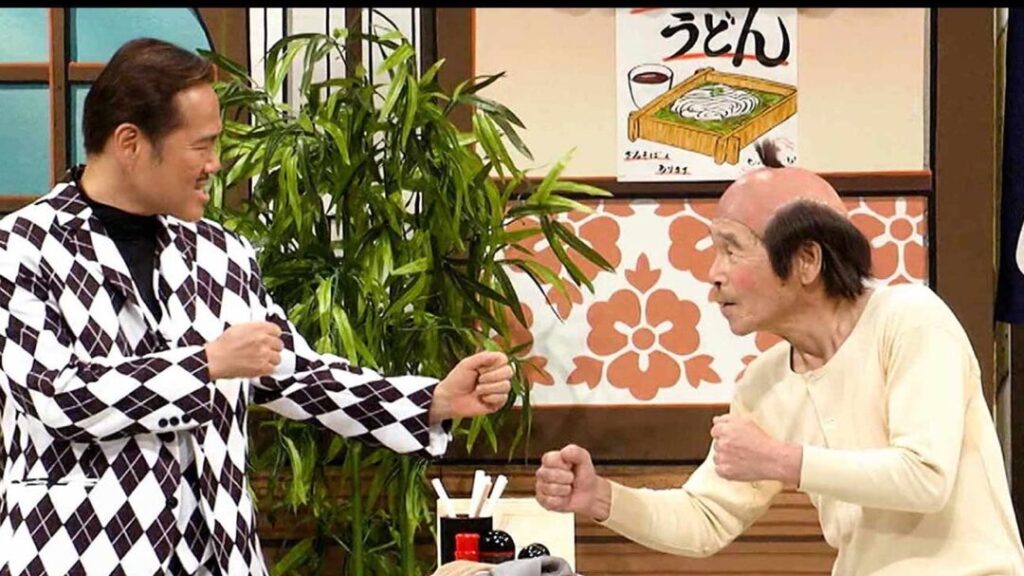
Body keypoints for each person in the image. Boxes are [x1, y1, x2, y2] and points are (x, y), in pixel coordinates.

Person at [0, 38, 512, 576]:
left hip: (221, 557)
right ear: (130, 142)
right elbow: (55, 396)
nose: (215, 164)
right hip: (76, 554)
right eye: (201, 145)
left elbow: (298, 375)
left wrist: (431, 401)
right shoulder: (22, 247)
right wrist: (206, 364)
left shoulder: (220, 253)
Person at [534, 141, 1024, 574]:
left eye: (732, 250)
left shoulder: (910, 318)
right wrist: (601, 498)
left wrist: (780, 459)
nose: (713, 274)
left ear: (806, 260)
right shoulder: (764, 383)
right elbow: (706, 518)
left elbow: (925, 478)